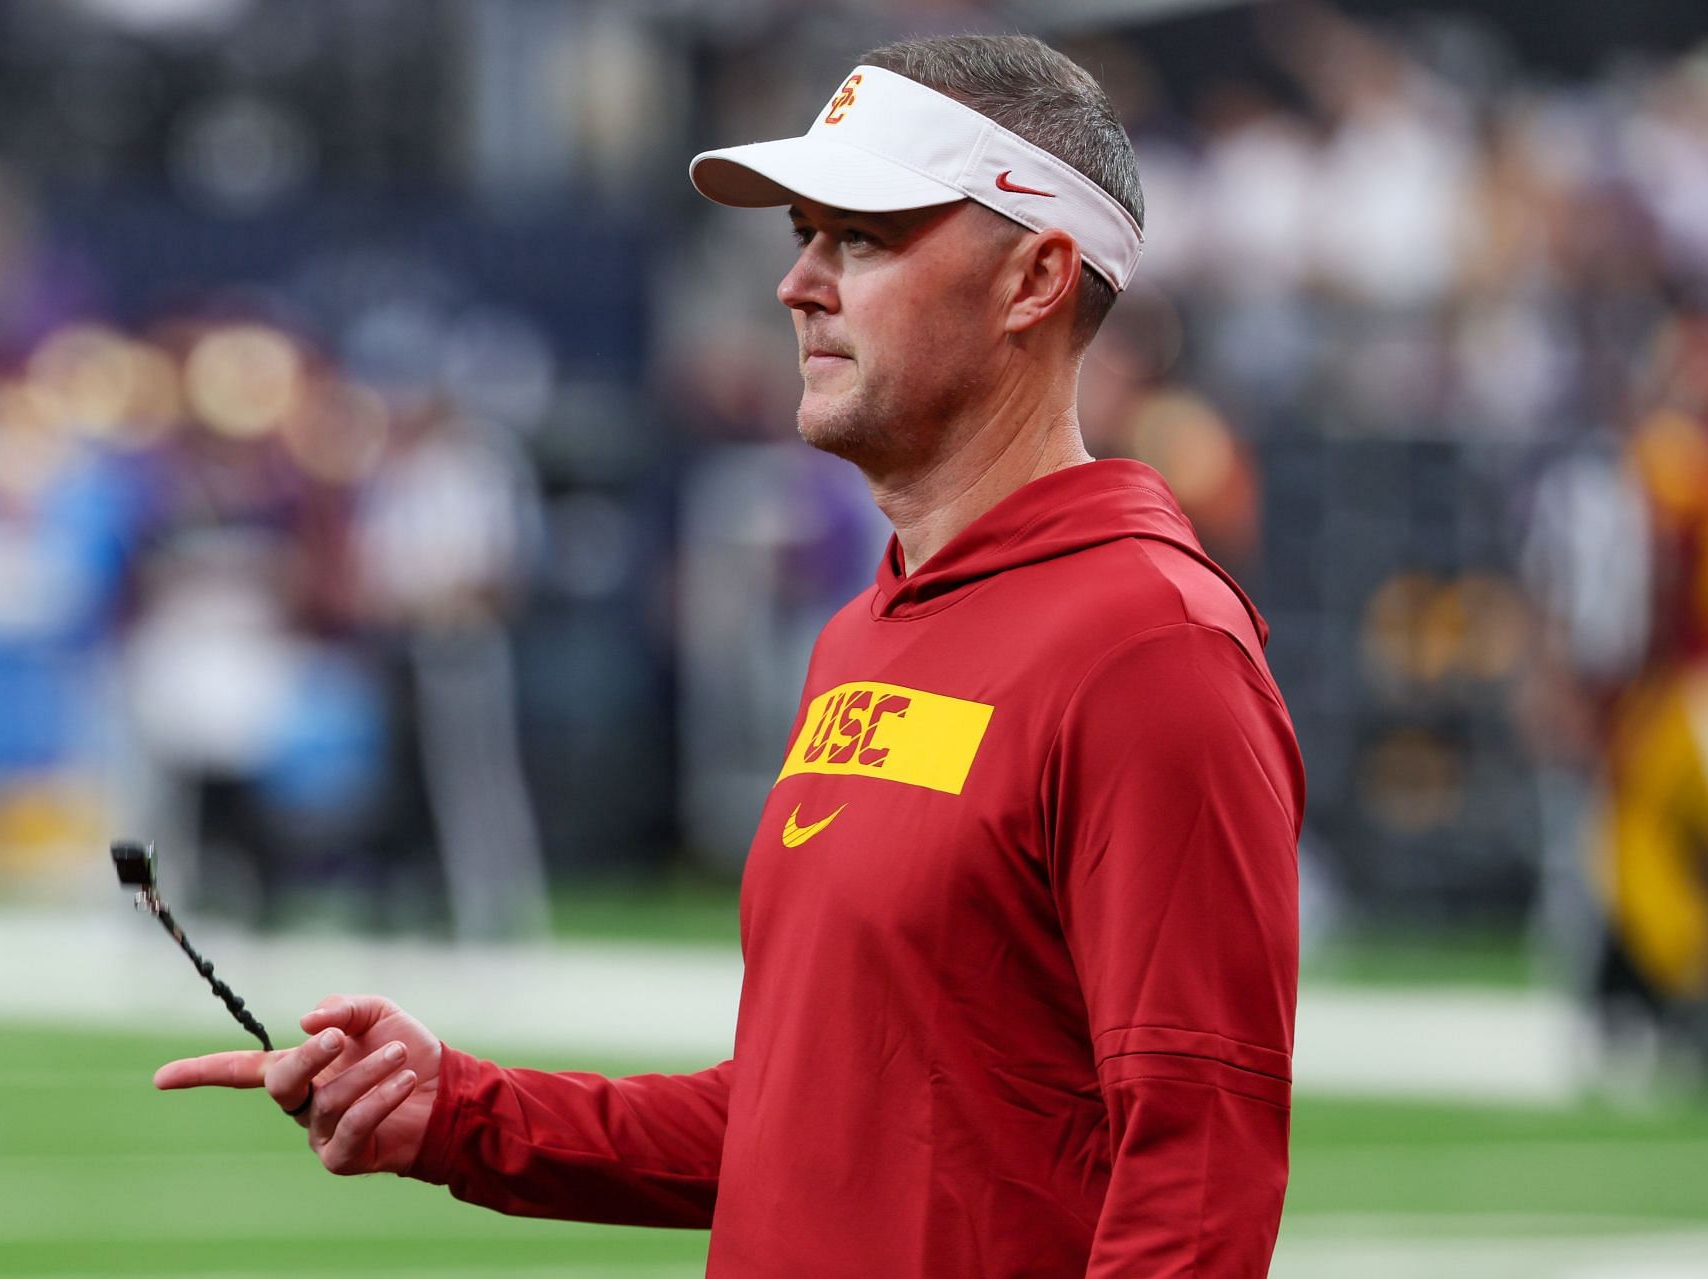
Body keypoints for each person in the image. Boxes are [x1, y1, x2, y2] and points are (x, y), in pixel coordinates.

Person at [155, 33, 1303, 1277]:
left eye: (860, 237)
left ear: (1035, 279)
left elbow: (1197, 1169)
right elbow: (804, 1119)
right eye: (804, 235)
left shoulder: (1152, 648)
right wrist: (463, 1113)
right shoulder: (864, 633)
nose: (798, 284)